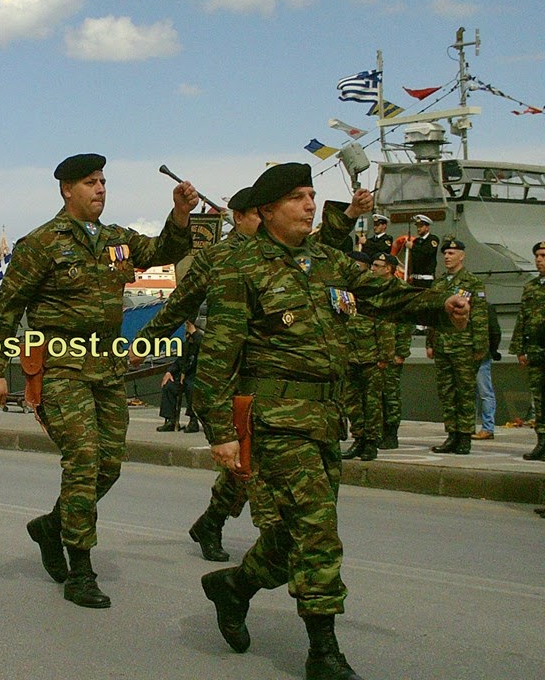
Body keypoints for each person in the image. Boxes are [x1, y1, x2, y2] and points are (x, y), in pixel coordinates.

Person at [136, 162, 468, 680]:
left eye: (313, 194)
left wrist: (439, 302)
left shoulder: (324, 260)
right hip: (275, 419)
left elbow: (382, 294)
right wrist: (222, 433)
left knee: (292, 535)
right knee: (319, 533)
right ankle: (323, 653)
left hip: (324, 418)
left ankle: (234, 587)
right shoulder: (241, 267)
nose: (311, 204)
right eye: (297, 196)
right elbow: (219, 357)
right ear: (268, 211)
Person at [0, 152, 198, 608]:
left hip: (106, 367)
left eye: (103, 181)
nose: (100, 189)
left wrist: (180, 214)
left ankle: (51, 525)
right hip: (61, 367)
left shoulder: (117, 239)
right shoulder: (41, 243)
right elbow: (6, 308)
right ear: (66, 190)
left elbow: (164, 251)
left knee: (110, 465)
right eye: (90, 183)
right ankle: (80, 569)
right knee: (82, 458)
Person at [136, 185, 371, 565]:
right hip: (237, 374)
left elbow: (325, 246)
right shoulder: (220, 258)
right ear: (240, 217)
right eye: (257, 216)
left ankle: (215, 524)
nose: (264, 223)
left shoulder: (286, 254)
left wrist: (349, 215)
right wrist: (144, 343)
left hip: (274, 378)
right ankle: (260, 549)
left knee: (250, 464)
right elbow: (179, 306)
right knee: (248, 463)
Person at [427, 239, 488, 455]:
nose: (447, 257)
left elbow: (480, 317)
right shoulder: (439, 284)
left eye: (452, 253)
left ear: (462, 256)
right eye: (445, 253)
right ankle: (451, 434)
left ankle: (464, 436)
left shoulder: (473, 283)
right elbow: (433, 315)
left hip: (464, 346)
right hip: (443, 345)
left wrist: (480, 347)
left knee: (464, 392)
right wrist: (430, 342)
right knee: (446, 392)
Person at [341, 252, 394, 462]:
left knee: (372, 403)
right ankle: (359, 438)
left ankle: (371, 441)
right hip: (350, 356)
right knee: (352, 402)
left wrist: (385, 355)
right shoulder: (346, 292)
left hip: (372, 356)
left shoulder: (375, 292)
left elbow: (385, 324)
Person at [369, 252, 412, 449]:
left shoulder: (401, 290)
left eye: (377, 265)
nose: (373, 268)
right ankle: (379, 430)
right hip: (376, 351)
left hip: (393, 351)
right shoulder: (373, 289)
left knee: (390, 393)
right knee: (377, 394)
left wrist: (401, 352)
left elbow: (405, 323)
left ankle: (391, 432)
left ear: (388, 269)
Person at [508, 241, 545, 461]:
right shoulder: (531, 286)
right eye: (537, 256)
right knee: (539, 398)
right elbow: (523, 318)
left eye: (543, 255)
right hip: (536, 350)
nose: (539, 260)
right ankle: (542, 442)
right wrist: (519, 348)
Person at [156, 319, 203, 433]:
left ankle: (193, 421)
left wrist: (194, 333)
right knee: (169, 386)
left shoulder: (200, 340)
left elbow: (203, 346)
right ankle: (171, 420)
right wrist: (169, 372)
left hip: (198, 375)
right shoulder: (187, 342)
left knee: (191, 387)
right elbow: (180, 360)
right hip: (185, 375)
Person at [472, 304, 501, 441]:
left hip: (481, 355)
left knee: (484, 392)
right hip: (465, 355)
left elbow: (495, 331)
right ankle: (469, 427)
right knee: (471, 393)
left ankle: (488, 427)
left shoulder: (486, 308)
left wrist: (492, 351)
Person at [407, 214, 439, 288]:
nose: (418, 229)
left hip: (426, 280)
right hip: (415, 279)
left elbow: (426, 252)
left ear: (427, 227)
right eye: (417, 226)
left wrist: (413, 246)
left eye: (421, 226)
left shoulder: (432, 239)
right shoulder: (416, 241)